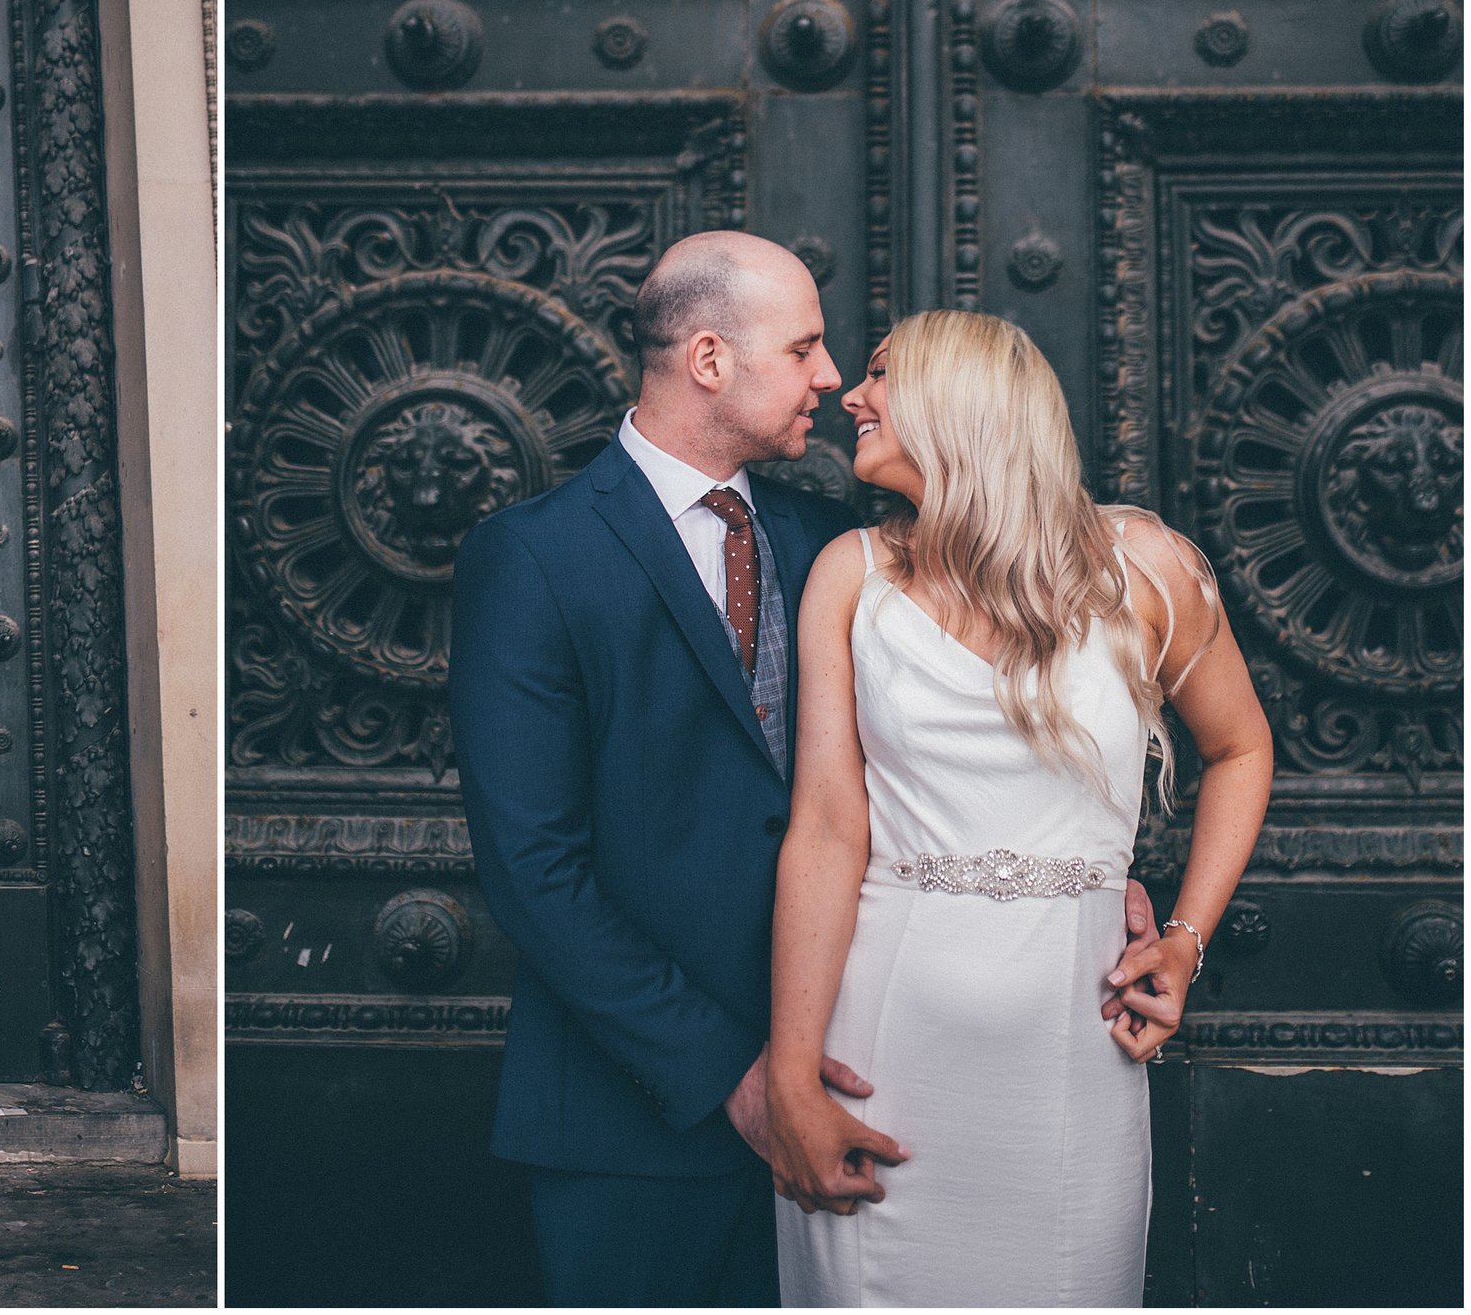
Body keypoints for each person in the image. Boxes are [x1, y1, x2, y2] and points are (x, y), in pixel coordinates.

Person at [767, 311, 1273, 1306]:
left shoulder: (1143, 570)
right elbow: (825, 827)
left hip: (1071, 1058)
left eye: (880, 375)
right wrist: (790, 1080)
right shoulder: (848, 575)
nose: (850, 397)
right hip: (882, 1047)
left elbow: (1240, 748)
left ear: (964, 402)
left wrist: (1182, 938)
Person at [448, 231, 869, 1305]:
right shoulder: (534, 556)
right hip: (628, 1116)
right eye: (806, 347)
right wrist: (730, 1078)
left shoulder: (833, 538)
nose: (829, 375)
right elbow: (534, 869)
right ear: (711, 359)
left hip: (853, 1081)